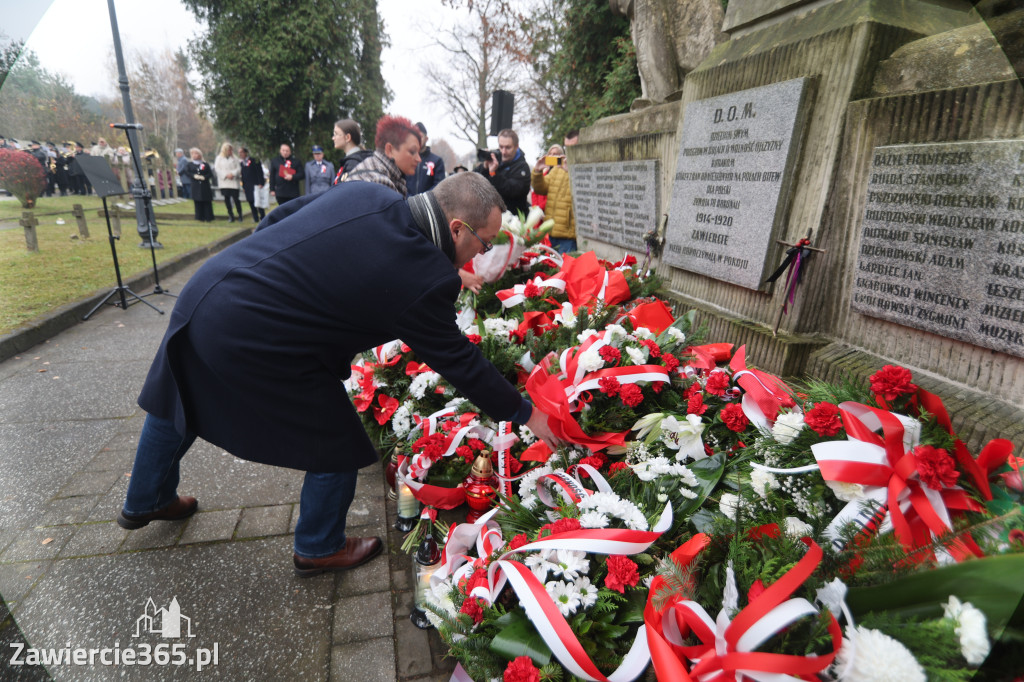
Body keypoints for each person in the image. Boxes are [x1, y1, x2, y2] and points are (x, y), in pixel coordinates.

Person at [114, 172, 563, 577]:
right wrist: (528, 414)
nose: (481, 254)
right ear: (456, 230)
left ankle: (145, 499)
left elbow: (280, 216)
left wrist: (266, 272)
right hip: (258, 334)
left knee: (179, 390)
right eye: (484, 244)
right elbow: (460, 362)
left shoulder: (371, 193)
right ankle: (317, 545)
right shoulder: (422, 273)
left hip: (212, 286)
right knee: (337, 440)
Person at [531, 131, 580, 254]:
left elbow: (586, 194)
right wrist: (537, 171)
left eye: (572, 147)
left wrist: (572, 172)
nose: (569, 151)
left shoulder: (584, 166)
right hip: (551, 230)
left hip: (568, 234)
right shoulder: (557, 169)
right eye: (566, 147)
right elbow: (541, 188)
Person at [476, 128, 531, 218]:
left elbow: (512, 190)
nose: (503, 152)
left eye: (508, 147)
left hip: (514, 220)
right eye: (501, 147)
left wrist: (493, 174)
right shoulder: (495, 160)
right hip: (491, 218)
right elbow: (473, 180)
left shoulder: (522, 167)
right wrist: (485, 168)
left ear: (516, 146)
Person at [404, 122, 446, 196]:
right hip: (407, 204)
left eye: (420, 137)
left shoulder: (436, 161)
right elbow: (400, 182)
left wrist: (422, 200)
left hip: (429, 204)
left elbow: (439, 186)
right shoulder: (405, 159)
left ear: (426, 139)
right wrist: (409, 200)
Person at [331, 118, 374, 185]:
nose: (333, 138)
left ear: (347, 137)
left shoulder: (353, 163)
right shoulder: (351, 161)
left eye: (336, 134)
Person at [214, 142, 243, 222]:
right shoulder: (219, 158)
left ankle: (240, 215)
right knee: (227, 199)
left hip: (233, 181)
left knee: (236, 199)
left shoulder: (235, 158)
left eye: (231, 150)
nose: (230, 152)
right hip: (224, 182)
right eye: (229, 150)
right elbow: (217, 169)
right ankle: (231, 215)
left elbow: (239, 168)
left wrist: (232, 174)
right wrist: (226, 175)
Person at [238, 147, 266, 223]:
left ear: (246, 152)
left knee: (258, 201)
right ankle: (255, 218)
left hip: (255, 184)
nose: (240, 154)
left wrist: (261, 183)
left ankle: (263, 217)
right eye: (239, 153)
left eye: (241, 152)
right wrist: (243, 186)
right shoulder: (242, 163)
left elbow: (259, 172)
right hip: (247, 186)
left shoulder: (254, 160)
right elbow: (243, 176)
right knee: (251, 202)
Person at [186, 147, 215, 222]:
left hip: (205, 185)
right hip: (195, 185)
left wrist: (204, 177)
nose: (194, 155)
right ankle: (199, 217)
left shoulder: (205, 164)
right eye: (192, 154)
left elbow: (210, 174)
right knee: (197, 202)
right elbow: (187, 172)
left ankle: (208, 217)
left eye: (196, 153)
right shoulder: (190, 164)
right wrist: (194, 176)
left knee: (206, 201)